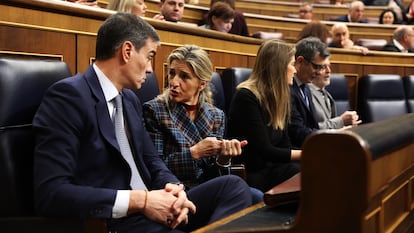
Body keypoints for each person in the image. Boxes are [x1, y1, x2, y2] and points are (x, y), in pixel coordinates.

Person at [33, 13, 252, 233]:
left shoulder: (129, 100)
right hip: (117, 219)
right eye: (149, 56)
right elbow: (51, 193)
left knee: (233, 187)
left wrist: (176, 191)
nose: (150, 68)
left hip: (154, 203)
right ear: (127, 52)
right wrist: (142, 201)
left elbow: (154, 162)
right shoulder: (68, 96)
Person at [143, 45, 263, 202]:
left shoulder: (216, 116)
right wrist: (195, 153)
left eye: (184, 77)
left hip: (207, 186)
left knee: (257, 197)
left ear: (202, 84)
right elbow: (154, 168)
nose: (174, 82)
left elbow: (213, 173)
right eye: (172, 73)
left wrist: (223, 159)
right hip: (175, 190)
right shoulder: (155, 110)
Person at [227, 39, 301, 192]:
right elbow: (265, 151)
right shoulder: (246, 97)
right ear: (278, 67)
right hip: (254, 173)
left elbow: (284, 145)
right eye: (292, 64)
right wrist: (309, 154)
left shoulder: (281, 97)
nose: (295, 70)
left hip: (273, 168)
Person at [288, 37, 328, 148]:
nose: (320, 73)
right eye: (317, 67)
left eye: (322, 67)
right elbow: (297, 132)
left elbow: (312, 126)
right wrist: (332, 136)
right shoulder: (287, 89)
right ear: (300, 61)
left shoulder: (306, 86)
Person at [309, 59, 362, 129]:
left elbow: (331, 126)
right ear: (311, 69)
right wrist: (341, 121)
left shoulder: (326, 95)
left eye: (329, 66)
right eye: (323, 67)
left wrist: (343, 128)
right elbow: (310, 130)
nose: (329, 71)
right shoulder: (305, 95)